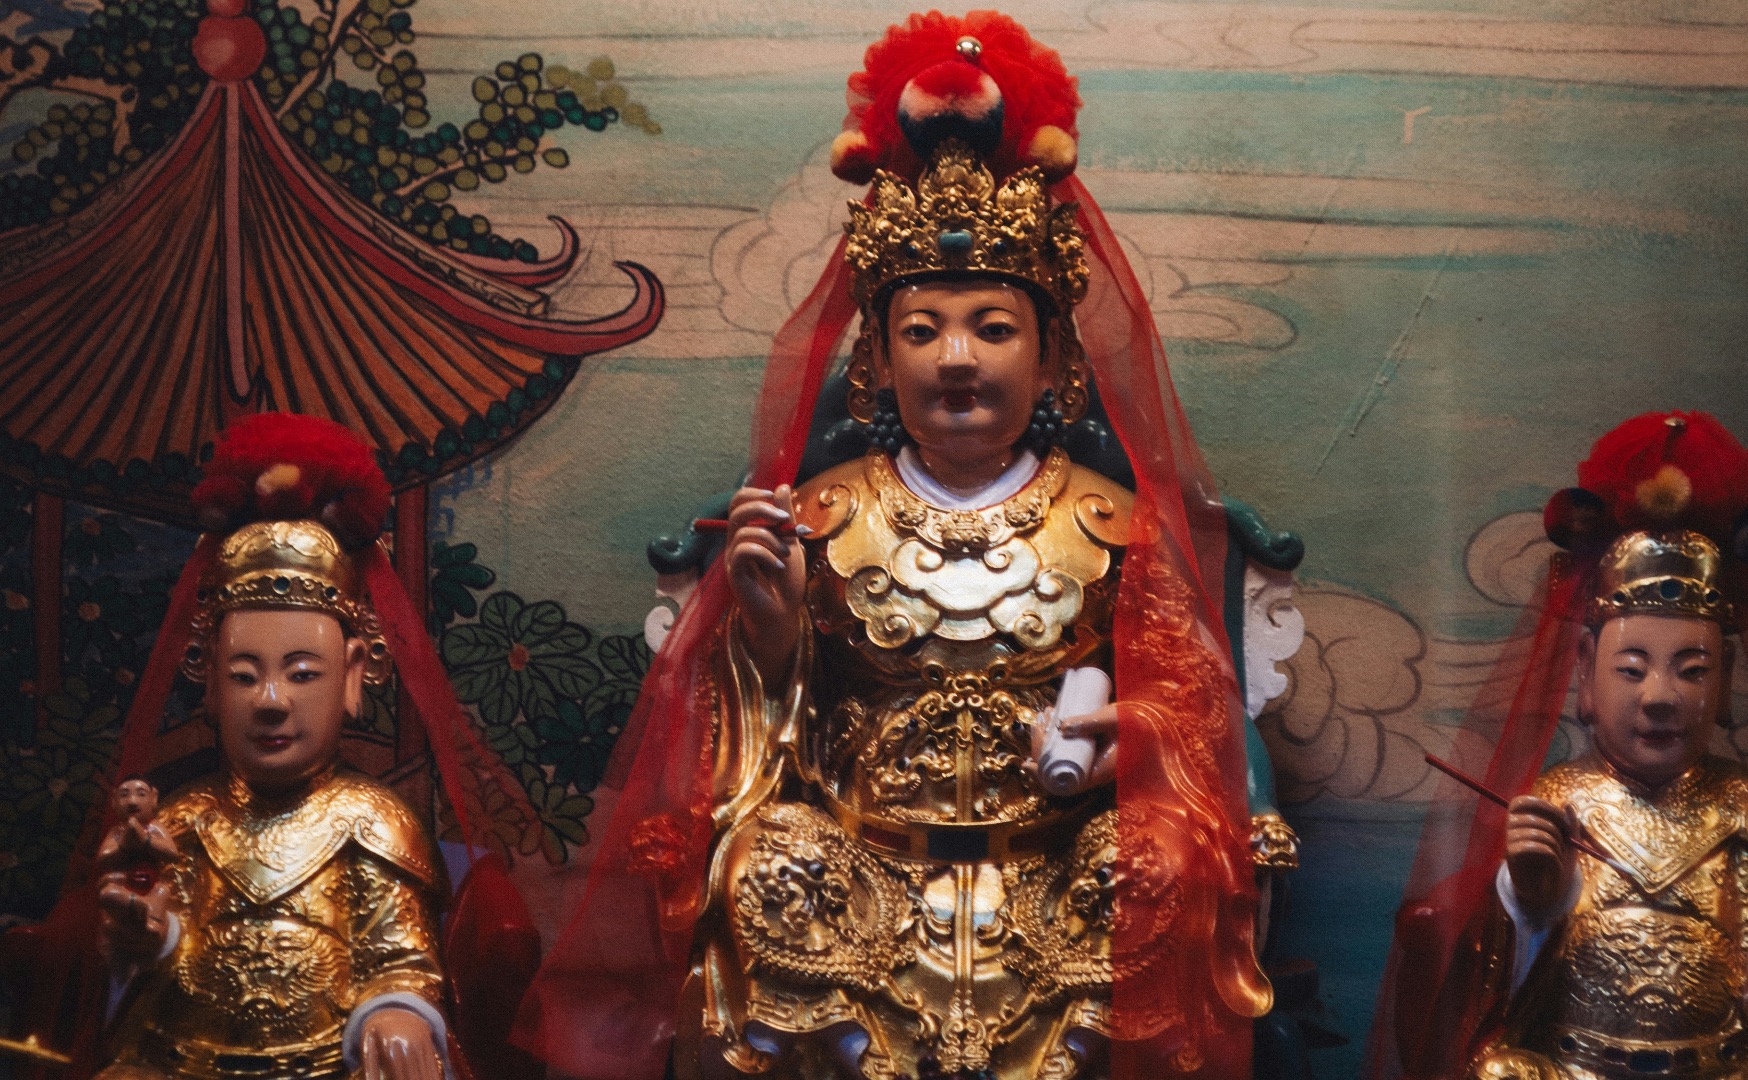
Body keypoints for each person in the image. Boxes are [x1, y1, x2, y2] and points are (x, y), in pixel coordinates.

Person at [519, 12, 1280, 1080]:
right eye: (922, 330)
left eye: (993, 327)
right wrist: (771, 632)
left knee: (1166, 861)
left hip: (1057, 866)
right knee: (757, 861)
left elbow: (1194, 711)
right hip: (856, 868)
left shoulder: (1112, 523)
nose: (957, 358)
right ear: (876, 360)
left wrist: (1137, 739)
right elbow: (753, 741)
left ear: (1053, 357)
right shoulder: (823, 515)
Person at [1363, 413, 1748, 1080]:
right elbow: (1497, 994)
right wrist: (1531, 901)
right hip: (1577, 1065)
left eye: (1693, 671)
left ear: (1725, 681)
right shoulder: (1559, 800)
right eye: (1632, 668)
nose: (1661, 696)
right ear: (1586, 672)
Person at [9, 413, 533, 1080]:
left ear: (353, 674)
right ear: (207, 678)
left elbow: (401, 960)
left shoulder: (373, 822)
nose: (271, 700)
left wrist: (397, 1011)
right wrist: (148, 939)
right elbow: (156, 967)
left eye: (303, 674)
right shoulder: (183, 822)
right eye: (243, 675)